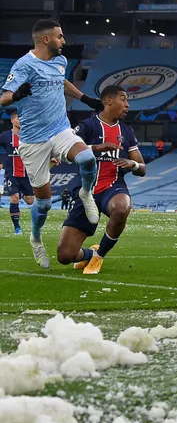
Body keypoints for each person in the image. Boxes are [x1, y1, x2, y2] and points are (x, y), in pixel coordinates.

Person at [0, 19, 106, 269]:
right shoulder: (24, 65)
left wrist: (86, 98)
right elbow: (3, 98)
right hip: (33, 140)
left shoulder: (61, 61)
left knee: (87, 158)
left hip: (60, 129)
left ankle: (85, 193)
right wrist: (16, 95)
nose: (64, 41)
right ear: (46, 39)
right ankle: (35, 238)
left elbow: (62, 81)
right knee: (45, 203)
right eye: (60, 36)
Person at [58, 85, 146, 274]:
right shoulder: (87, 126)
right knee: (65, 255)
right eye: (123, 99)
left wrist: (133, 165)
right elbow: (66, 151)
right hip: (85, 191)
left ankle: (99, 256)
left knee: (122, 207)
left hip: (113, 187)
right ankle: (90, 254)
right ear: (108, 101)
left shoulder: (127, 132)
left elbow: (142, 168)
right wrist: (96, 148)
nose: (127, 105)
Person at [1, 110, 36, 235]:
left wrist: (51, 157)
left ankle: (23, 194)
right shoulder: (5, 135)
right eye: (18, 119)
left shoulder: (30, 135)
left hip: (27, 172)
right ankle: (17, 228)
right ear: (12, 120)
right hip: (11, 172)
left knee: (30, 201)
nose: (21, 121)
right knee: (14, 198)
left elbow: (39, 149)